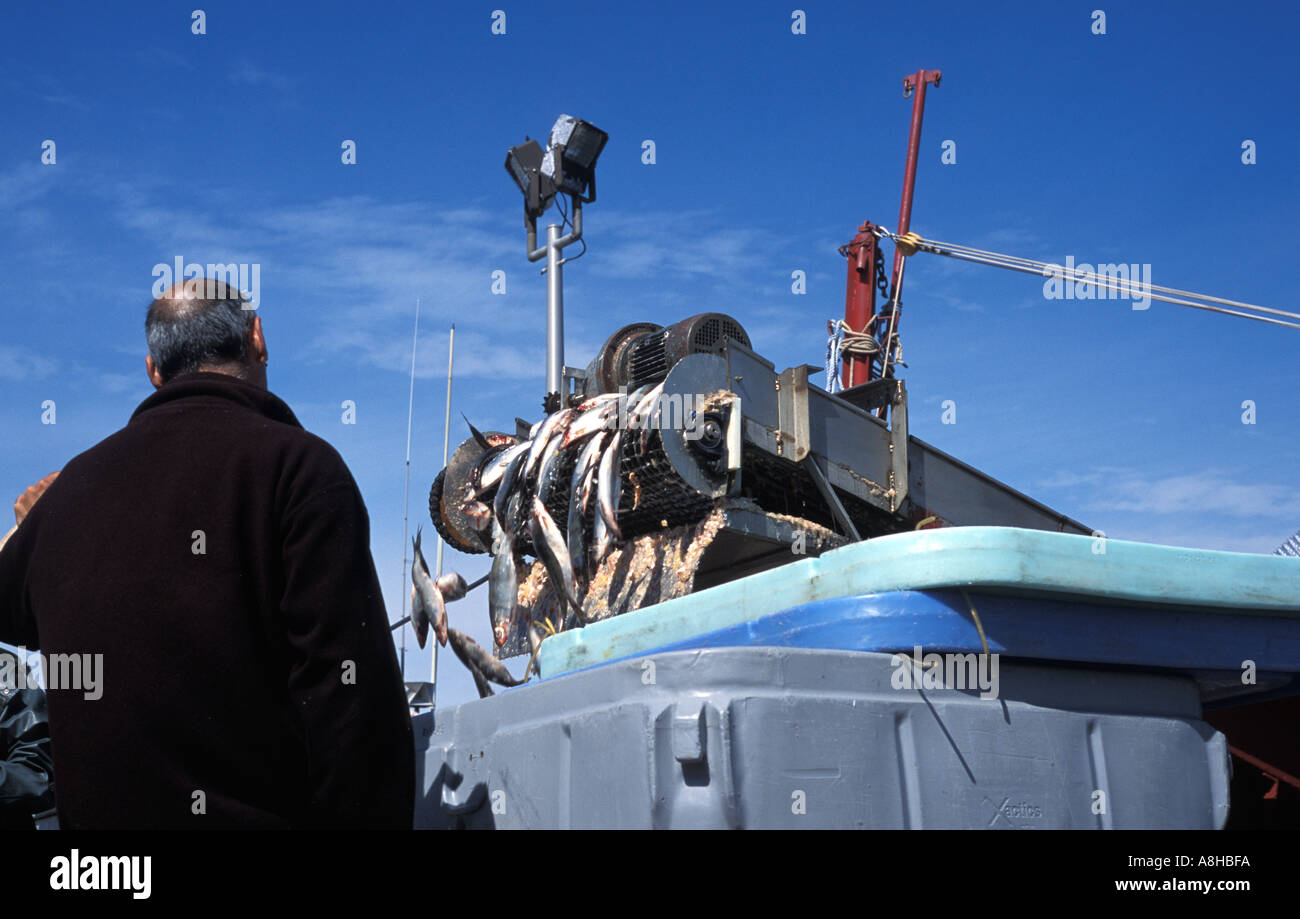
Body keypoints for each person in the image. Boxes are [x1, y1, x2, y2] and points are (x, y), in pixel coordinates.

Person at [0, 280, 414, 828]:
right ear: (257, 338)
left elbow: (11, 610)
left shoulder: (70, 493)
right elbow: (352, 703)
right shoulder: (300, 468)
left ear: (153, 370)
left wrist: (31, 531)